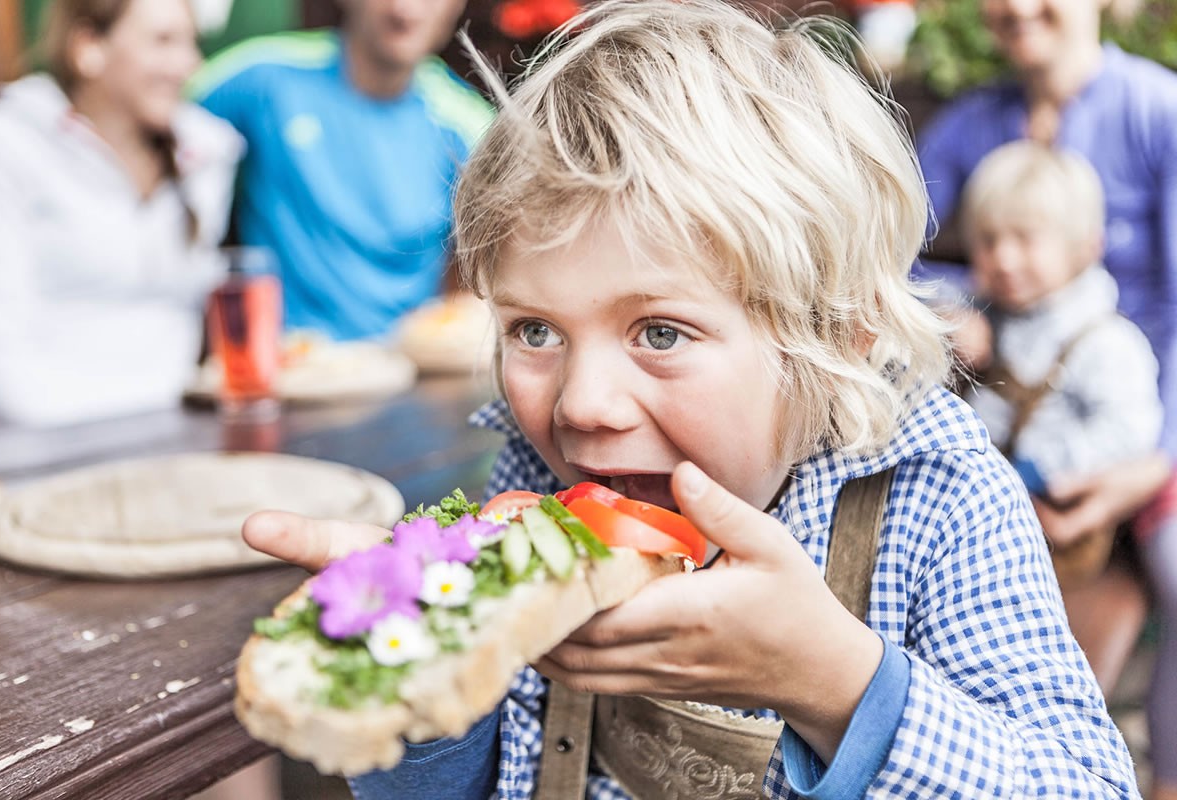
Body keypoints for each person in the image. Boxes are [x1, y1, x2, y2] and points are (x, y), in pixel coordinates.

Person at [242, 2, 1142, 797]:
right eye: (536, 331)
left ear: (839, 335)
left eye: (661, 333)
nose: (583, 406)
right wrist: (418, 676)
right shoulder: (536, 484)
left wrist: (836, 683)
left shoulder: (938, 500)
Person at [916, 2, 1177, 796]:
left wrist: (1154, 461)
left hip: (1145, 415)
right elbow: (887, 247)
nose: (1020, 7)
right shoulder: (970, 123)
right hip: (1013, 421)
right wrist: (953, 305)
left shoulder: (1156, 112)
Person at [0, 0, 241, 430]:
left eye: (191, 42)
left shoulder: (209, 152)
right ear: (88, 47)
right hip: (32, 441)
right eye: (163, 41)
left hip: (180, 433)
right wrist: (178, 400)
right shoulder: (0, 144)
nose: (189, 64)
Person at [191, 0, 494, 342]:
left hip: (411, 364)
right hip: (287, 361)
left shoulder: (470, 124)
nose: (405, 9)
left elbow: (501, 269)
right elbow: (158, 117)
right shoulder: (266, 78)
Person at [958, 141, 1163, 589]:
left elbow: (1128, 431)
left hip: (1048, 525)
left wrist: (1039, 469)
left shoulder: (1107, 343)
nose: (1004, 259)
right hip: (973, 508)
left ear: (1085, 247)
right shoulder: (982, 316)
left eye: (1024, 239)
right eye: (989, 240)